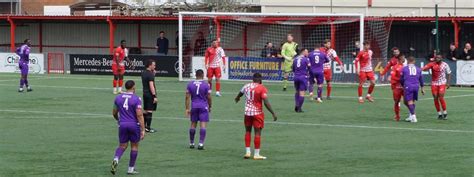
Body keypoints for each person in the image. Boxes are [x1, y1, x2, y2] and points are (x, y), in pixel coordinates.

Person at [235, 73, 277, 160]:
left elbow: (240, 93)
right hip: (257, 113)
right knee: (257, 133)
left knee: (247, 131)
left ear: (253, 79)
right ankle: (256, 154)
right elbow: (266, 102)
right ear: (260, 79)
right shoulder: (262, 88)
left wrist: (237, 98)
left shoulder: (246, 86)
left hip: (247, 112)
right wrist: (273, 113)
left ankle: (247, 152)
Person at [110, 80, 145, 175]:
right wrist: (143, 129)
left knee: (122, 146)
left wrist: (118, 120)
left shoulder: (118, 98)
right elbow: (139, 115)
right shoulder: (137, 99)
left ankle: (116, 159)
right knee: (134, 146)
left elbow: (114, 112)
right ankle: (130, 169)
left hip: (123, 125)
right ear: (133, 88)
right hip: (134, 125)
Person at [185, 69, 212, 150]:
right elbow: (209, 97)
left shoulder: (190, 84)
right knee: (203, 125)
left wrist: (187, 108)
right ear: (203, 75)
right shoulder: (206, 85)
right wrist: (210, 106)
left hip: (194, 106)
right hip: (203, 106)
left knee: (193, 124)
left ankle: (191, 143)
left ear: (195, 75)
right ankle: (200, 144)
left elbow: (187, 97)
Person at [422, 54, 451, 120]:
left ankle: (445, 113)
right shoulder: (432, 64)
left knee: (441, 97)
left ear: (441, 58)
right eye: (436, 58)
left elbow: (449, 73)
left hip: (442, 83)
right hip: (434, 83)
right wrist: (422, 69)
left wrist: (448, 83)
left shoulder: (445, 65)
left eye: (438, 58)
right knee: (435, 97)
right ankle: (439, 114)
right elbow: (424, 69)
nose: (437, 59)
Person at [380, 54, 406, 121]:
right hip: (397, 86)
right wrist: (400, 80)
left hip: (404, 86)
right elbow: (393, 77)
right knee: (397, 101)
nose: (404, 59)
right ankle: (397, 116)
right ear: (400, 58)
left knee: (408, 100)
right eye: (403, 57)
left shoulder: (405, 67)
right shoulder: (395, 67)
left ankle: (411, 115)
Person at [400, 57, 425, 123]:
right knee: (410, 101)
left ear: (408, 61)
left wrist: (403, 85)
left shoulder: (404, 68)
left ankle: (414, 117)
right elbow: (421, 79)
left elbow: (401, 79)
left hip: (408, 86)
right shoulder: (418, 69)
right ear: (414, 61)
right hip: (416, 86)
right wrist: (422, 88)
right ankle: (411, 115)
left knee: (409, 101)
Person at [141, 60, 158, 133]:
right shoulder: (150, 74)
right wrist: (154, 96)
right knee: (150, 111)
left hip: (145, 94)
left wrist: (153, 74)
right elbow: (151, 85)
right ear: (150, 65)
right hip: (150, 94)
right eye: (153, 65)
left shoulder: (143, 73)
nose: (155, 66)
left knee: (145, 110)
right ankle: (148, 127)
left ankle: (143, 126)